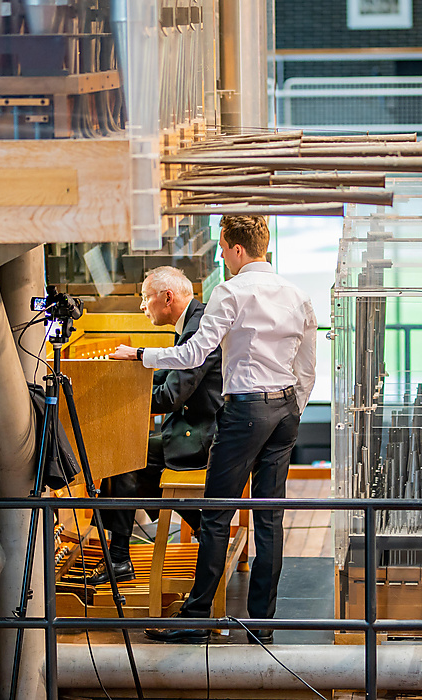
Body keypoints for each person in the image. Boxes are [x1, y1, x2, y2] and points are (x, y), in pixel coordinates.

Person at [111, 215, 317, 645]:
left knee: (216, 515)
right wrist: (293, 407)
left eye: (222, 248)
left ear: (237, 250)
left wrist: (139, 356)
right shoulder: (296, 294)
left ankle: (198, 617)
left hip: (244, 412)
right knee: (270, 520)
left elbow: (194, 353)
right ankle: (262, 624)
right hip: (284, 412)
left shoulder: (231, 291)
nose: (221, 256)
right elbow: (307, 366)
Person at [82, 266, 223, 586]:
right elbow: (174, 371)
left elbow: (172, 395)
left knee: (124, 456)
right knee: (132, 458)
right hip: (196, 427)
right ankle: (196, 527)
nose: (142, 306)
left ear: (167, 298)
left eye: (146, 298)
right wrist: (132, 377)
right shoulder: (195, 319)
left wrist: (119, 398)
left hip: (203, 435)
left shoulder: (198, 325)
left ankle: (119, 558)